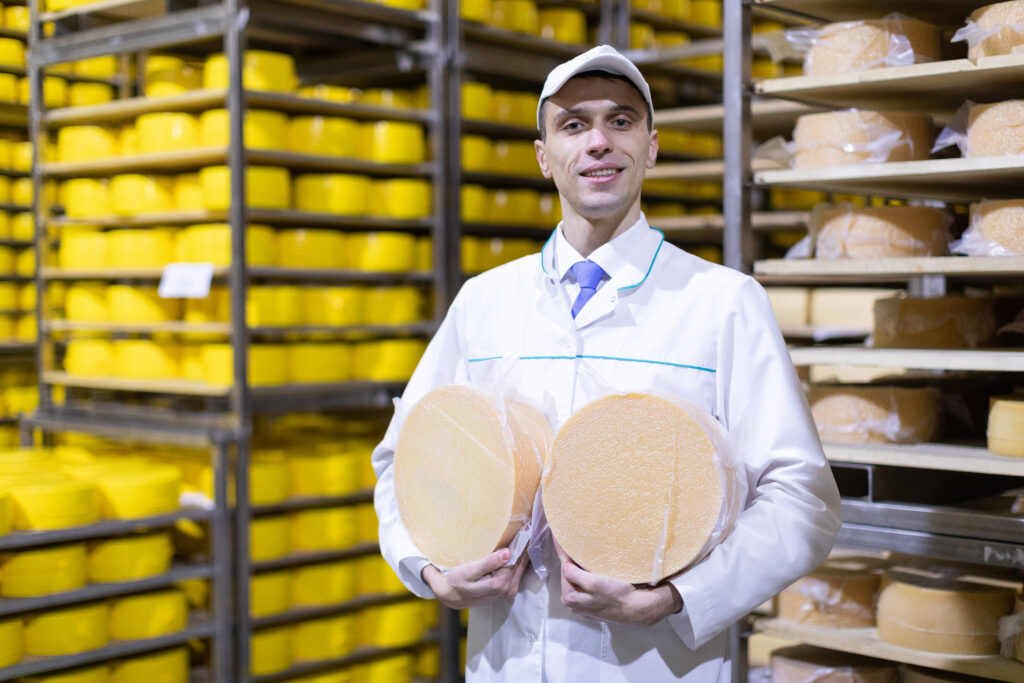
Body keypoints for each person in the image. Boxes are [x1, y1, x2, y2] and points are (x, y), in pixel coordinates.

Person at [373, 45, 841, 681]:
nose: (598, 141)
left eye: (621, 121)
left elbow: (802, 499)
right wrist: (429, 572)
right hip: (507, 660)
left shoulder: (723, 303)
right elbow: (404, 460)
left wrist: (678, 598)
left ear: (650, 147)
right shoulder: (484, 302)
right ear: (545, 156)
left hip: (657, 663)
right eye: (573, 124)